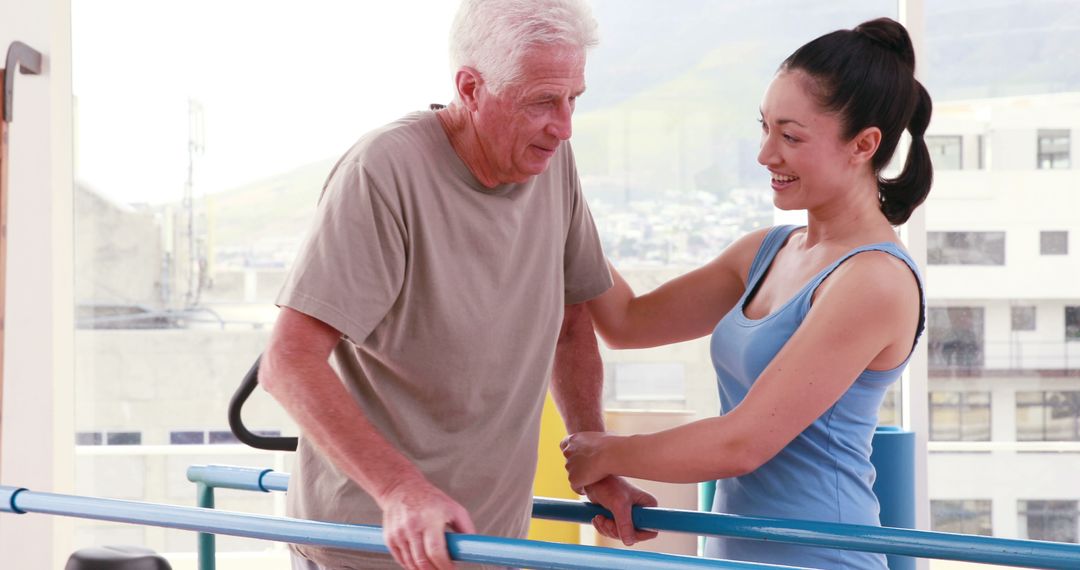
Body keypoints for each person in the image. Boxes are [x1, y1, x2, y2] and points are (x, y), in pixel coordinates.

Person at [259, 1, 659, 569]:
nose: (564, 126)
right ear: (470, 88)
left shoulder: (550, 162)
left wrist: (593, 462)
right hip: (371, 543)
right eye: (543, 101)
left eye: (574, 99)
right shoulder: (384, 171)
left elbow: (571, 327)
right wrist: (400, 489)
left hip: (489, 543)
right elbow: (288, 362)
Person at [559, 17, 931, 569]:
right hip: (735, 556)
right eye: (765, 128)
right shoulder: (765, 252)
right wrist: (558, 196)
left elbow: (743, 443)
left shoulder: (874, 280)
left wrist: (607, 452)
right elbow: (628, 322)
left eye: (790, 136)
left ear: (864, 144)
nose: (765, 155)